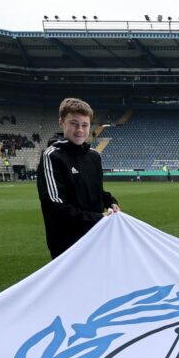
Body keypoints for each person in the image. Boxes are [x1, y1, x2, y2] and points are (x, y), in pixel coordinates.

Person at [37, 97, 120, 259]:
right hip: (67, 244)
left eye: (85, 125)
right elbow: (54, 206)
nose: (80, 130)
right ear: (62, 122)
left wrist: (111, 201)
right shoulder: (52, 156)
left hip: (96, 237)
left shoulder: (94, 156)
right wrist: (97, 218)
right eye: (74, 123)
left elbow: (96, 190)